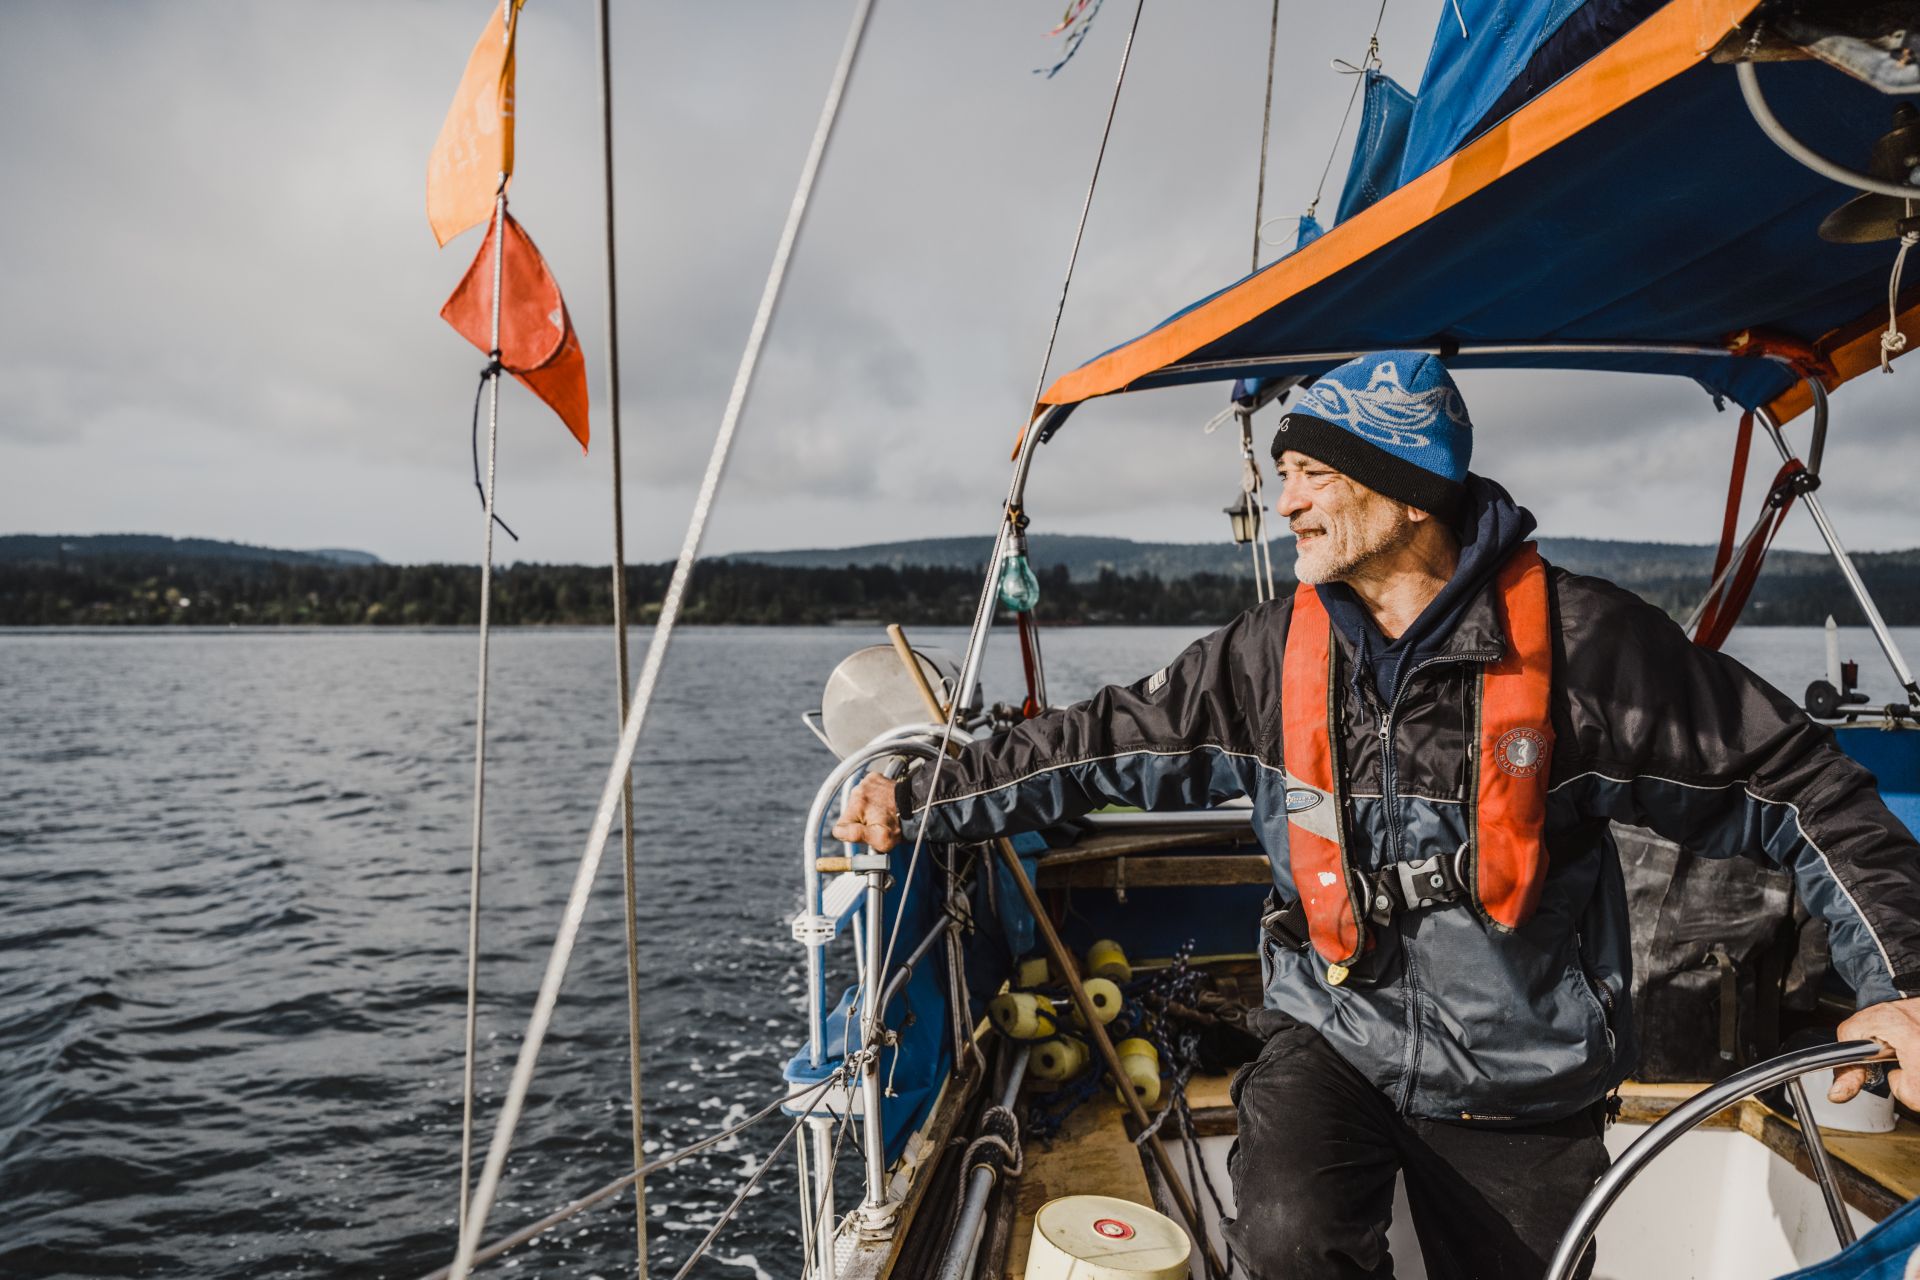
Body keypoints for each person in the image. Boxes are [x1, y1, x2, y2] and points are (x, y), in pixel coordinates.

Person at [832, 351, 1920, 1279]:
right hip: (1334, 1034)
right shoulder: (1267, 654)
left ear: (1407, 493)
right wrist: (918, 796)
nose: (1286, 499)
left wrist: (1900, 985)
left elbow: (1803, 787)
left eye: (1310, 473)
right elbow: (1100, 744)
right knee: (1291, 1230)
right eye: (1283, 474)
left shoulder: (1589, 653)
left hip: (1522, 1080)